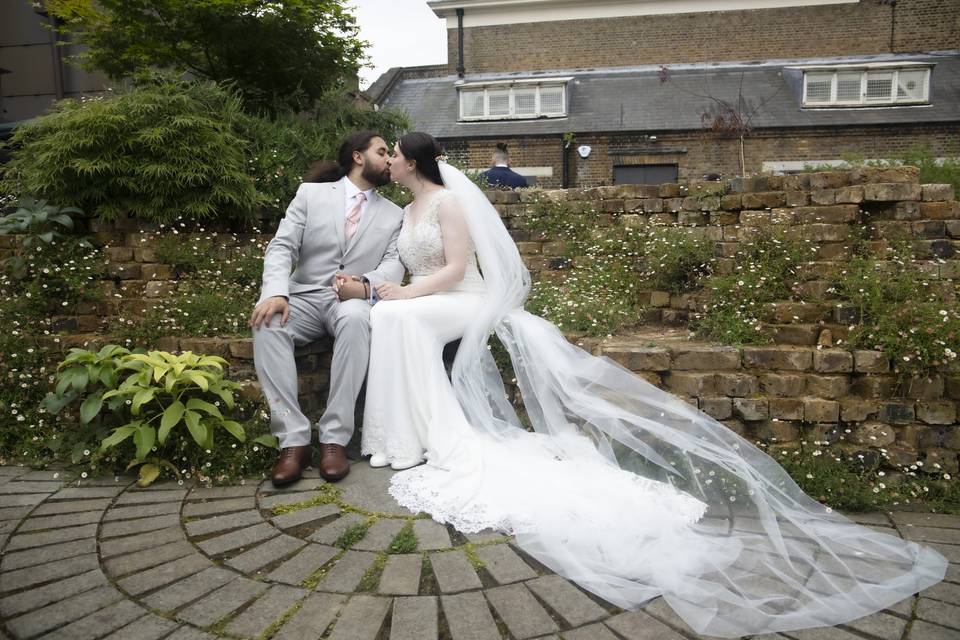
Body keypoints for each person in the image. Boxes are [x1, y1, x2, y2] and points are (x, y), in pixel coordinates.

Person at [360, 131, 947, 638]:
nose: (388, 161)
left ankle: (432, 436)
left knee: (399, 315)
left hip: (462, 300)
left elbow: (458, 271)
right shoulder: (405, 209)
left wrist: (406, 293)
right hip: (421, 300)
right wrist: (381, 289)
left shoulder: (449, 203)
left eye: (394, 155)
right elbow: (401, 265)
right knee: (386, 316)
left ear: (411, 162)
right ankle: (396, 437)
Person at [249, 131, 404, 486]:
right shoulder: (311, 194)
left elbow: (394, 264)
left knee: (355, 319)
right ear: (358, 157)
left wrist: (363, 286)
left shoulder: (394, 214)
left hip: (348, 301)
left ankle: (335, 438)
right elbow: (282, 246)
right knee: (268, 323)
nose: (389, 159)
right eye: (382, 152)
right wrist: (276, 293)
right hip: (302, 297)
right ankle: (294, 441)